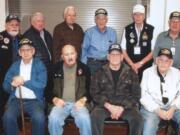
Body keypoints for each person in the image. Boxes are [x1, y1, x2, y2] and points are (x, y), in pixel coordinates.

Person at [90, 43, 143, 135]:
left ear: (122, 57)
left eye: (117, 54)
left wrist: (122, 107)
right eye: (112, 54)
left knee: (137, 118)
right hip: (105, 106)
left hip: (126, 107)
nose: (115, 57)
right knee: (94, 116)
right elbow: (94, 93)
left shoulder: (131, 72)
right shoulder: (99, 72)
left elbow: (136, 95)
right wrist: (109, 106)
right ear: (108, 56)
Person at [2, 38, 47, 135]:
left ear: (33, 51)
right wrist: (12, 85)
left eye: (28, 50)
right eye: (23, 50)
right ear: (19, 52)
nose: (26, 52)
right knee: (7, 117)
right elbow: (5, 86)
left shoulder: (39, 64)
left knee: (39, 118)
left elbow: (42, 84)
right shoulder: (14, 66)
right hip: (17, 100)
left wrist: (23, 82)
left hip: (34, 101)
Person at [48, 44, 92, 135]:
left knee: (85, 119)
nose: (70, 57)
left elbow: (91, 90)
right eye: (66, 54)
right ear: (62, 56)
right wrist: (54, 99)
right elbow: (47, 90)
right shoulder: (54, 69)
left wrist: (83, 99)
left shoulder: (85, 69)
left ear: (76, 54)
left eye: (72, 53)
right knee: (53, 119)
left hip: (78, 103)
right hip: (61, 104)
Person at [140, 48, 180, 135]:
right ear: (156, 60)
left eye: (166, 61)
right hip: (152, 108)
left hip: (173, 107)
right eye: (161, 60)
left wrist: (173, 108)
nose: (163, 63)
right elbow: (144, 97)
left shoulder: (177, 73)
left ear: (171, 63)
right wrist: (158, 110)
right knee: (148, 129)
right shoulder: (147, 72)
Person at [0, 14, 22, 131]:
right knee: (2, 103)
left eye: (16, 24)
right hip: (2, 78)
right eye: (11, 24)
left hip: (18, 78)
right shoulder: (1, 37)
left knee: (17, 102)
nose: (14, 26)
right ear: (6, 25)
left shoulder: (22, 39)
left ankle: (17, 127)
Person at [120, 4, 154, 80]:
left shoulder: (151, 29)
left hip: (145, 65)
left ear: (144, 16)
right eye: (136, 14)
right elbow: (123, 50)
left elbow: (153, 51)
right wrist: (132, 65)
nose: (138, 17)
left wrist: (140, 63)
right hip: (129, 65)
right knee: (130, 88)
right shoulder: (127, 29)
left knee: (144, 87)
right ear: (132, 15)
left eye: (141, 14)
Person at [81, 8, 117, 73]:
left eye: (103, 19)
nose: (101, 21)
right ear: (95, 20)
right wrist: (83, 66)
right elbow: (84, 49)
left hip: (107, 64)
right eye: (98, 19)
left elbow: (114, 50)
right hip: (92, 64)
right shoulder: (89, 32)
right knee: (92, 83)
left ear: (106, 20)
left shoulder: (112, 32)